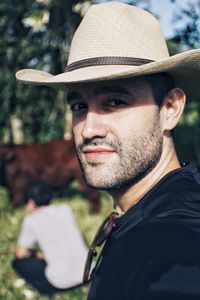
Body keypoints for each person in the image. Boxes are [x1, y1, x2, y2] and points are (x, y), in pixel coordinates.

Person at [16, 2, 200, 299]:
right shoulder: (144, 209)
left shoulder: (175, 242)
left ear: (169, 109)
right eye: (79, 106)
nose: (88, 130)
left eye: (115, 102)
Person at [12, 181, 88, 296]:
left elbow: (20, 253)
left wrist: (35, 253)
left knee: (18, 263)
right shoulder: (65, 209)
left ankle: (46, 291)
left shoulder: (31, 220)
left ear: (31, 202)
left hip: (61, 282)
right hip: (88, 273)